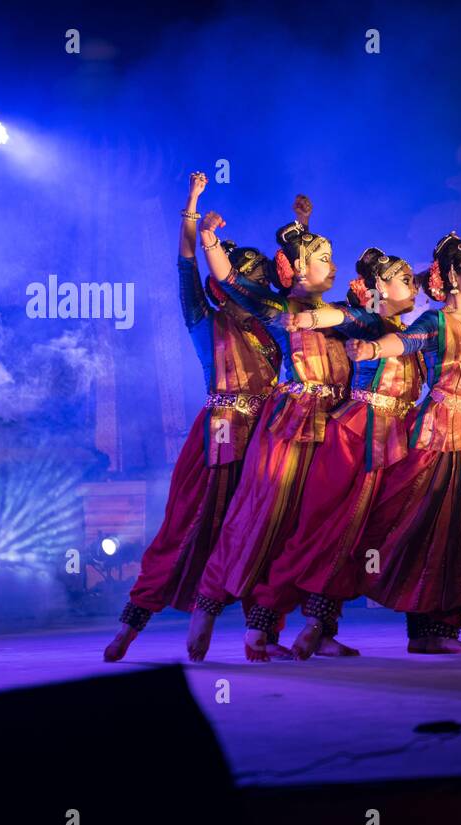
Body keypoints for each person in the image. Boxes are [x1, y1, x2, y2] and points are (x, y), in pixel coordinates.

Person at [104, 172, 282, 661]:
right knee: (187, 525)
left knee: (261, 525)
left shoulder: (275, 330)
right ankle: (131, 625)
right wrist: (192, 207)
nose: (254, 287)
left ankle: (259, 635)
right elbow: (184, 266)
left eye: (259, 281)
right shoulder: (205, 320)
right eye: (246, 279)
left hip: (265, 436)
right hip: (218, 434)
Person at [185, 202, 361, 661]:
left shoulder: (343, 313)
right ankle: (211, 604)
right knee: (263, 520)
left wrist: (303, 228)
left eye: (332, 257)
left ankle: (315, 627)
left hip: (334, 425)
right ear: (300, 267)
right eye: (325, 257)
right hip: (290, 422)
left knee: (321, 529)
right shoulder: (279, 309)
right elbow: (229, 281)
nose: (334, 265)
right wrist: (206, 236)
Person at [240, 247, 426, 658]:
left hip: (389, 440)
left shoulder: (410, 327)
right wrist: (306, 318)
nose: (412, 285)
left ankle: (319, 626)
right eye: (404, 278)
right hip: (352, 437)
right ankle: (261, 625)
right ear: (379, 287)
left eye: (413, 279)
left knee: (356, 538)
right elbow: (339, 316)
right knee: (320, 533)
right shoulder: (368, 319)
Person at [348, 231, 461, 652]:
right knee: (435, 523)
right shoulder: (437, 321)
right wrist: (373, 349)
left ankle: (441, 630)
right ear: (452, 276)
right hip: (440, 430)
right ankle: (430, 630)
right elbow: (404, 342)